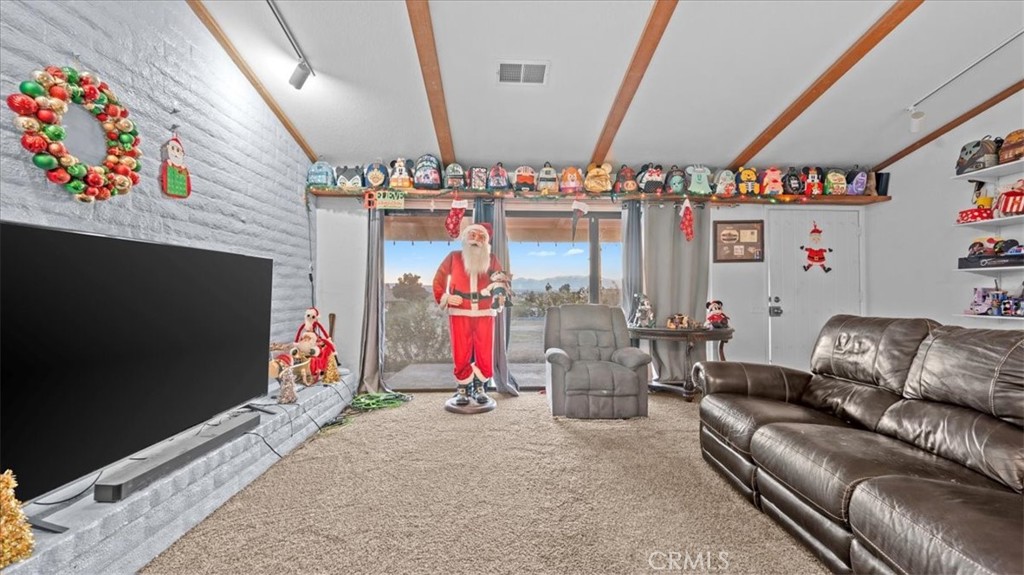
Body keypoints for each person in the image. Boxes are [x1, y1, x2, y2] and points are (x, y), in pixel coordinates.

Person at [432, 223, 505, 406]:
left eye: (481, 236)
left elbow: (501, 281)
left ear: (486, 241)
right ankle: (462, 389)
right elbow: (439, 279)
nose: (476, 239)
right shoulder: (454, 257)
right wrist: (446, 297)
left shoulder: (492, 259)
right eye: (472, 234)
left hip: (484, 312)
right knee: (461, 349)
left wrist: (498, 295)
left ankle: (481, 387)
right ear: (465, 237)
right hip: (460, 311)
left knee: (484, 350)